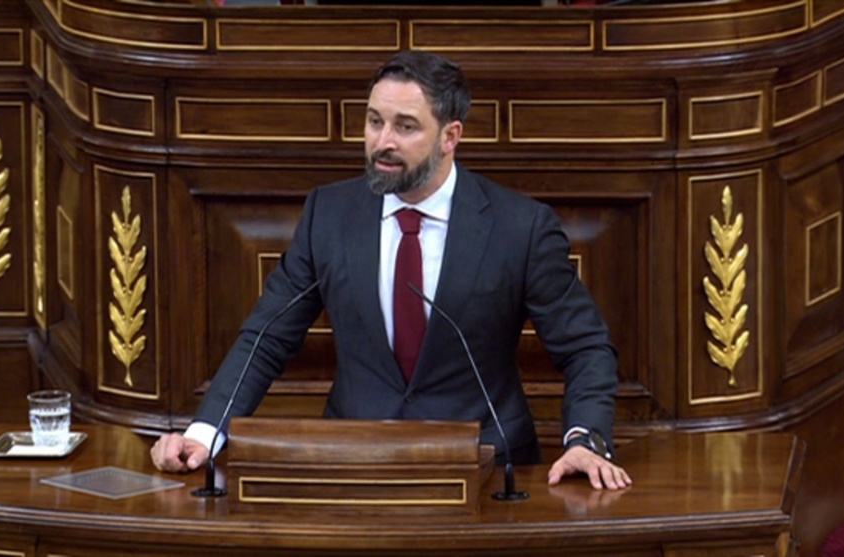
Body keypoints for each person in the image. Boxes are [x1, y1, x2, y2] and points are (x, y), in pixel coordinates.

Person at [152, 50, 631, 490]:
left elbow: (585, 345)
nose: (383, 142)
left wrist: (584, 438)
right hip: (352, 465)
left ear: (450, 137)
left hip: (488, 471)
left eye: (405, 127)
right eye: (374, 121)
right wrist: (205, 433)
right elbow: (267, 336)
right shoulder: (330, 216)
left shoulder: (518, 227)